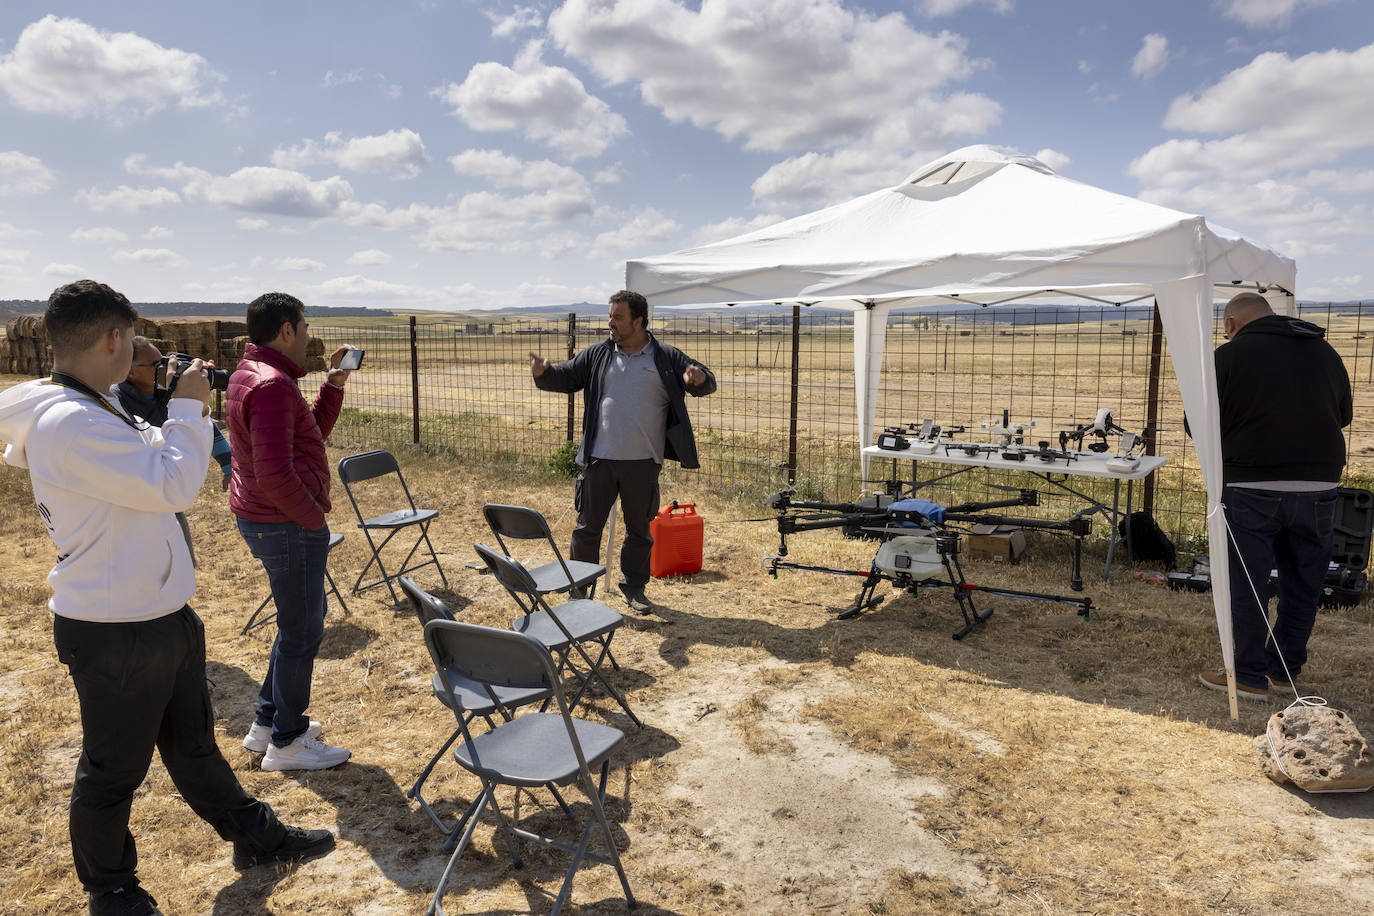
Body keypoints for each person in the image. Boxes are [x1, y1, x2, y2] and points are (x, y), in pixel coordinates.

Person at [0, 280, 334, 916]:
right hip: (116, 627)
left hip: (153, 613)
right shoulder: (72, 423)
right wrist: (185, 408)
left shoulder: (90, 407)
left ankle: (253, 836)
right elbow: (174, 485)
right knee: (112, 771)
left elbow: (145, 463)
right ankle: (112, 890)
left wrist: (160, 404)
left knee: (195, 746)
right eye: (135, 340)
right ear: (113, 338)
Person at [1197, 292, 1352, 701]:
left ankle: (1248, 675)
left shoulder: (1228, 357)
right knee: (1303, 586)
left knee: (1248, 583)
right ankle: (1284, 673)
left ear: (1231, 325)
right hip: (1320, 486)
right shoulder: (1325, 351)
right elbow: (1345, 414)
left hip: (1251, 485)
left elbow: (1199, 424)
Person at [529, 289, 716, 613]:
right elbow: (566, 377)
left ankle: (634, 588)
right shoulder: (598, 355)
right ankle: (579, 591)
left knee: (639, 531)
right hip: (599, 460)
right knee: (587, 529)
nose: (610, 323)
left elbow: (705, 381)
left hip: (643, 463)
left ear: (638, 321)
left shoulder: (665, 357)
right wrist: (545, 373)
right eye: (610, 316)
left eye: (618, 317)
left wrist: (698, 380)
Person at [227, 292, 354, 771]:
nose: (308, 338)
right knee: (303, 629)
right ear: (285, 330)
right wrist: (312, 518)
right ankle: (289, 739)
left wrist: (334, 384)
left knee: (295, 618)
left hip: (267, 519)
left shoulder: (252, 375)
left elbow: (308, 436)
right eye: (304, 329)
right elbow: (276, 474)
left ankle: (267, 722)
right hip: (285, 525)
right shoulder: (274, 385)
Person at [116, 336, 234, 567]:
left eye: (163, 362)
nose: (163, 369)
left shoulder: (163, 391)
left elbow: (203, 424)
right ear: (129, 372)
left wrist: (228, 464)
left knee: (180, 561)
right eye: (155, 365)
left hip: (169, 500)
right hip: (142, 500)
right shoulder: (117, 402)